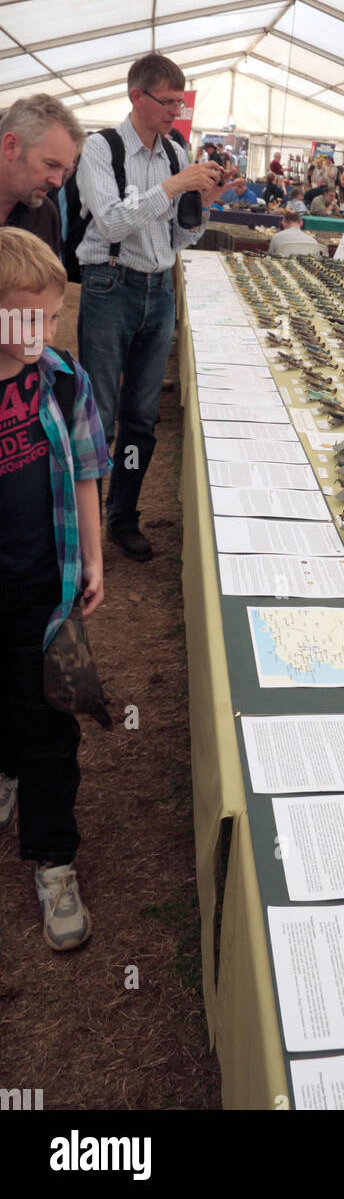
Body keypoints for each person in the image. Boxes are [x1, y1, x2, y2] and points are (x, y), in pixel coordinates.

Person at [0, 227, 111, 950]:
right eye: (24, 317)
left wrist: (95, 561)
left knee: (49, 722)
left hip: (45, 587)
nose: (42, 331)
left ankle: (53, 857)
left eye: (51, 315)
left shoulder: (65, 379)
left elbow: (86, 468)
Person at [76, 51, 227, 562]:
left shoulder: (176, 155)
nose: (174, 112)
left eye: (179, 103)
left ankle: (123, 515)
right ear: (136, 96)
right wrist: (172, 187)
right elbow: (113, 223)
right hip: (108, 286)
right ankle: (84, 527)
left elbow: (180, 236)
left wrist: (201, 203)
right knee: (98, 414)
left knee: (141, 418)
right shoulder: (101, 149)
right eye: (166, 102)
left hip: (159, 288)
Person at [0, 95, 84, 257]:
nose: (58, 182)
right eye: (51, 165)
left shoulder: (44, 213)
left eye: (65, 172)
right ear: (11, 146)